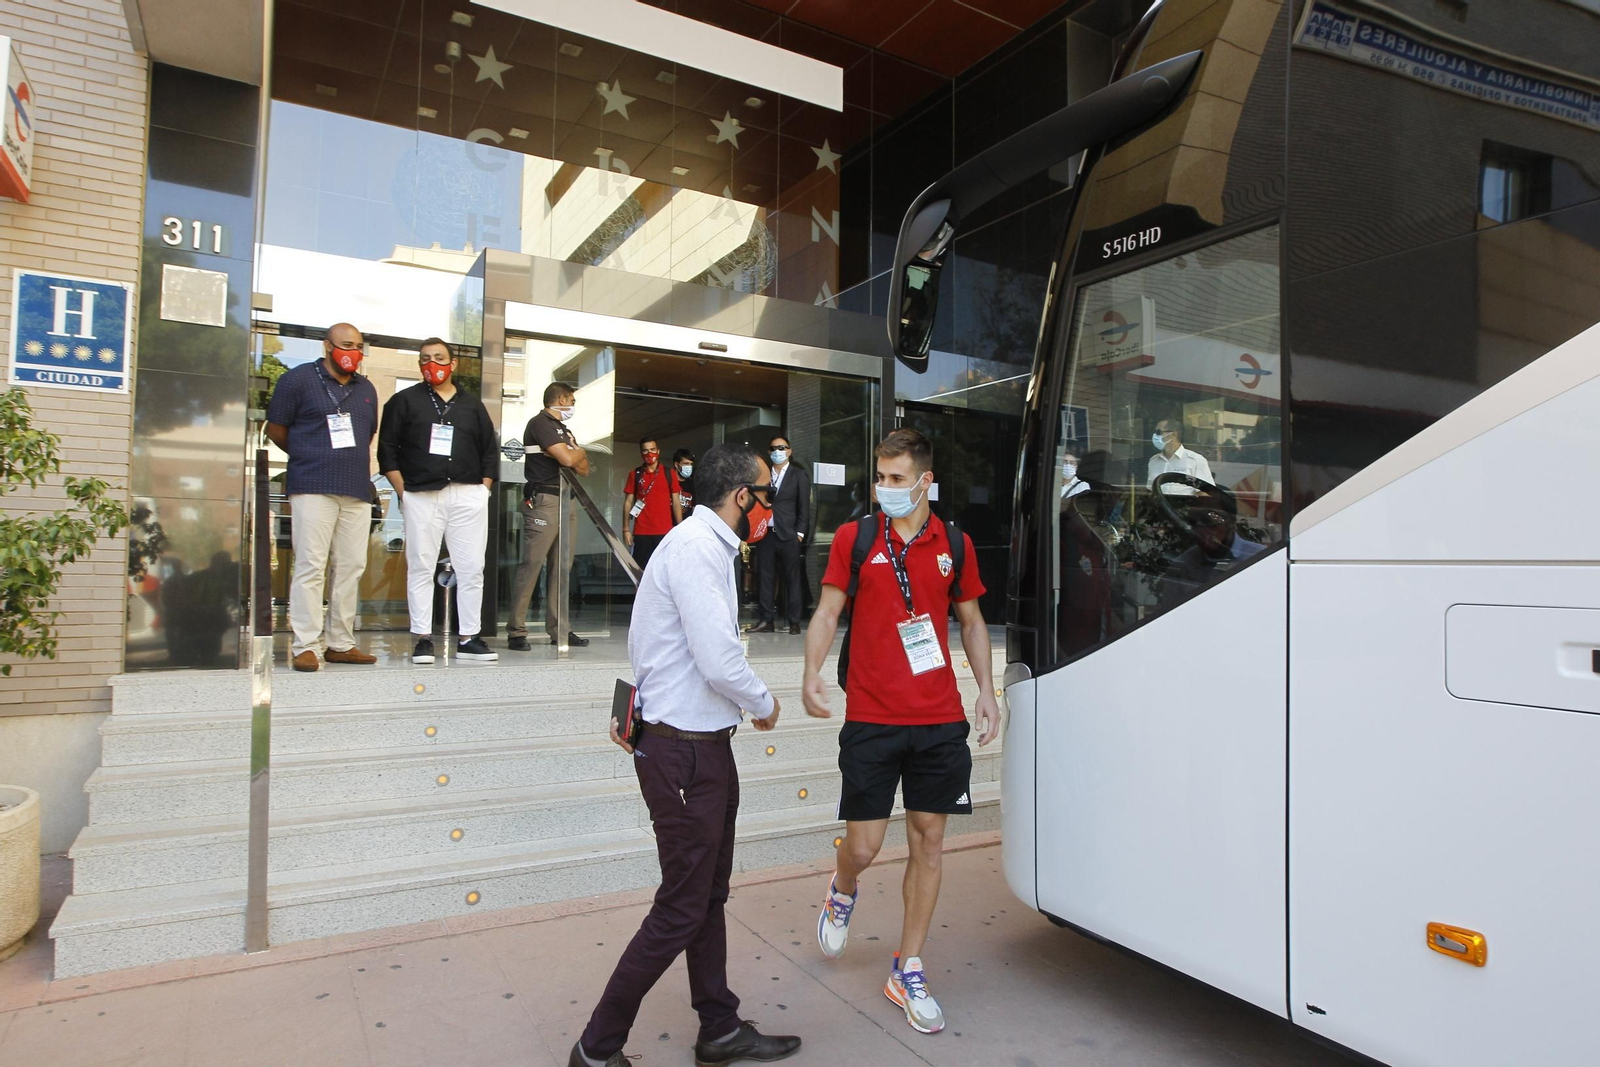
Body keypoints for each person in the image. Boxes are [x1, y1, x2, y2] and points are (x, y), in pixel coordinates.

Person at [573, 444, 800, 1067]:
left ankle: (720, 1029)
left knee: (706, 898)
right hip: (683, 756)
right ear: (742, 497)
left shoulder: (704, 546)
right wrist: (763, 701)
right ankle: (596, 1048)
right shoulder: (699, 550)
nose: (768, 507)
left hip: (701, 749)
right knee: (680, 907)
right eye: (765, 493)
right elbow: (719, 658)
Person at [801, 427, 1000, 1036]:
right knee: (863, 845)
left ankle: (907, 966)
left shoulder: (956, 544)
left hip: (938, 718)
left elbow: (971, 621)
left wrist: (985, 690)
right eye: (879, 479)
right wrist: (811, 671)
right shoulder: (857, 539)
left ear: (925, 482)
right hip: (871, 715)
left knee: (929, 843)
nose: (883, 489)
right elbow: (829, 610)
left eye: (895, 479)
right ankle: (843, 886)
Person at [265, 322, 380, 672]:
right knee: (310, 565)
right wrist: (308, 453)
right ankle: (306, 645)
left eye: (359, 346)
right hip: (312, 484)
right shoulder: (297, 380)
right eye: (346, 345)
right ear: (327, 346)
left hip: (356, 488)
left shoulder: (367, 388)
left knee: (351, 566)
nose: (353, 352)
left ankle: (341, 643)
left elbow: (366, 434)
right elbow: (277, 429)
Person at [377, 338, 500, 665]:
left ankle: (469, 637)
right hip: (421, 494)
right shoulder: (403, 402)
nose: (432, 364)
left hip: (467, 494)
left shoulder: (472, 405)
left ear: (453, 363)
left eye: (439, 358)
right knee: (421, 565)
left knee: (472, 567)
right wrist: (404, 492)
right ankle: (422, 639)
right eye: (426, 359)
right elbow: (386, 451)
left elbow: (489, 450)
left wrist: (483, 489)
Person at [506, 381, 590, 650]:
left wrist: (575, 454)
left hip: (568, 500)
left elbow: (584, 469)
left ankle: (559, 630)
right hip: (545, 500)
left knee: (562, 568)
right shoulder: (540, 423)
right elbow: (568, 460)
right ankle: (517, 631)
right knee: (532, 564)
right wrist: (577, 453)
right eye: (572, 401)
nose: (573, 406)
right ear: (562, 399)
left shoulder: (563, 429)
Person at [746, 434, 809, 635]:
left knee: (792, 579)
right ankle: (767, 620)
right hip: (766, 534)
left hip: (789, 534)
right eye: (773, 448)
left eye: (781, 448)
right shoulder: (764, 476)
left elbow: (804, 507)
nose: (777, 452)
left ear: (789, 451)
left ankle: (794, 621)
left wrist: (799, 533)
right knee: (765, 577)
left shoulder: (799, 475)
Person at [622, 438, 682, 571]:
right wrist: (625, 529)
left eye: (652, 450)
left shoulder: (669, 473)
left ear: (658, 451)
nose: (649, 454)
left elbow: (676, 503)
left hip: (665, 532)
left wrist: (680, 528)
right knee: (640, 572)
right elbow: (628, 502)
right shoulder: (635, 474)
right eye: (645, 451)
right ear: (641, 453)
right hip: (642, 532)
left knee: (665, 570)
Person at [1147, 417, 1213, 492]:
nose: (1155, 435)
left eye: (1159, 432)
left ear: (1174, 434)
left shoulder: (1195, 461)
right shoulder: (1153, 461)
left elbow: (1205, 493)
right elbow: (1150, 490)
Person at [672, 448, 697, 515]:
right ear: (677, 465)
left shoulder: (692, 484)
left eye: (690, 464)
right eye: (686, 463)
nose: (689, 466)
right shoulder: (668, 482)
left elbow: (694, 507)